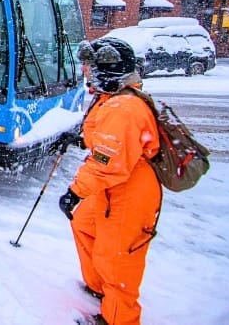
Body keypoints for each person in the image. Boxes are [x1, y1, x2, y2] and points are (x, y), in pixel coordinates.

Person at [57, 37, 161, 325]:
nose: (86, 71)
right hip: (114, 185)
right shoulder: (112, 100)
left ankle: (118, 318)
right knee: (84, 224)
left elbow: (107, 163)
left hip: (129, 190)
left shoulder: (123, 108)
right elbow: (107, 142)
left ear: (108, 72)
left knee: (117, 259)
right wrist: (80, 140)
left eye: (91, 67)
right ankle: (100, 288)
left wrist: (75, 193)